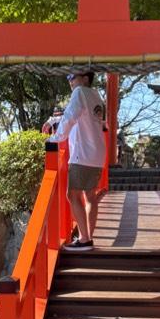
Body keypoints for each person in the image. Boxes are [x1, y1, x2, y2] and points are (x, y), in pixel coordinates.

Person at [47, 71, 106, 251]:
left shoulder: (79, 92)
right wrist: (54, 119)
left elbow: (70, 117)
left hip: (82, 154)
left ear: (85, 78)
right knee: (89, 196)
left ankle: (84, 238)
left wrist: (55, 138)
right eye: (68, 77)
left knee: (72, 195)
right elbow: (81, 116)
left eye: (73, 76)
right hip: (97, 154)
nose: (70, 80)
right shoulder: (96, 95)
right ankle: (88, 236)